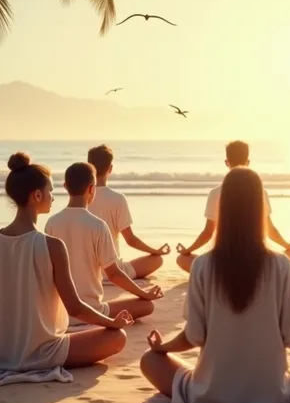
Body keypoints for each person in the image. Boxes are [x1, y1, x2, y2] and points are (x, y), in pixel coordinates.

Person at [140, 167, 290, 403]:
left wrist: (162, 347)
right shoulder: (281, 265)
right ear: (260, 209)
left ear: (223, 209)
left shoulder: (202, 265)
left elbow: (194, 336)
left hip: (210, 398)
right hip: (273, 399)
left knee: (149, 361)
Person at [0, 153, 133, 372]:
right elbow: (75, 307)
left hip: (3, 350)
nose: (53, 197)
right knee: (117, 337)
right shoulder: (52, 246)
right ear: (36, 195)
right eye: (50, 191)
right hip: (44, 350)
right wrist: (112, 323)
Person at [45, 163, 163, 325]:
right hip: (93, 311)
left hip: (60, 313)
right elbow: (114, 274)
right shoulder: (98, 225)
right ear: (92, 189)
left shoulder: (52, 223)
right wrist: (143, 294)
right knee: (146, 306)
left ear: (65, 186)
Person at [176, 140, 290, 273]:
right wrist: (287, 245)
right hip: (256, 262)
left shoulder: (216, 193)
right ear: (248, 162)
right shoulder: (260, 192)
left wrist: (188, 250)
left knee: (182, 259)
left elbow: (208, 232)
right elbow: (269, 229)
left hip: (225, 262)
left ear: (227, 162)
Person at [87, 144, 168, 279]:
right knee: (157, 260)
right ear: (110, 168)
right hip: (112, 272)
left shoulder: (80, 197)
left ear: (89, 167)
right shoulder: (117, 198)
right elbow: (130, 240)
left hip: (86, 273)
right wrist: (154, 251)